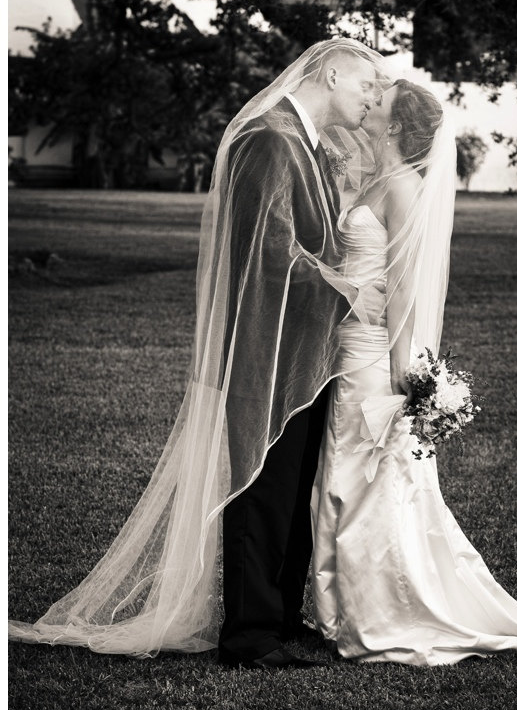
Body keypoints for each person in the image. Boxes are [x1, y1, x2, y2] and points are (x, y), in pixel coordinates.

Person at [10, 39, 385, 664]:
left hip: (301, 353)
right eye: (367, 84)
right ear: (331, 71)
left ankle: (279, 615)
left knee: (292, 487)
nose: (373, 98)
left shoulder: (310, 145)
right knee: (260, 485)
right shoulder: (270, 138)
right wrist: (345, 290)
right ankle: (249, 634)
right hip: (264, 350)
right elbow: (267, 251)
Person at [307, 78, 517, 664]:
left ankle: (381, 611)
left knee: (364, 481)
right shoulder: (377, 178)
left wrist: (403, 361)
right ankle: (342, 607)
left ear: (396, 128)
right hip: (351, 344)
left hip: (375, 354)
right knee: (344, 478)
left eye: (382, 103)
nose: (371, 103)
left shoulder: (401, 187)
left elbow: (401, 284)